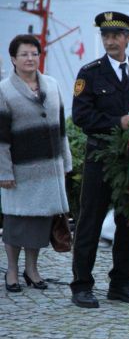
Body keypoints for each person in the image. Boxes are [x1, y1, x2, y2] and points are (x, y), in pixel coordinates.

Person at [70, 11, 129, 308]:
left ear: (128, 38)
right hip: (100, 156)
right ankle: (81, 284)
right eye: (105, 36)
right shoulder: (90, 73)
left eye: (116, 36)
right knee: (90, 220)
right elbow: (81, 116)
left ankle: (121, 282)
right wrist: (115, 122)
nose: (110, 41)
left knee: (128, 221)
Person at [0, 34, 72, 292]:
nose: (30, 59)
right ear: (13, 59)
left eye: (34, 53)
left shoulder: (52, 85)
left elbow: (61, 127)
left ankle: (32, 269)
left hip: (49, 168)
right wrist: (3, 171)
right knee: (16, 222)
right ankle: (11, 270)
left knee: (39, 222)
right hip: (19, 170)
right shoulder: (4, 91)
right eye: (24, 54)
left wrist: (65, 161)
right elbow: (1, 139)